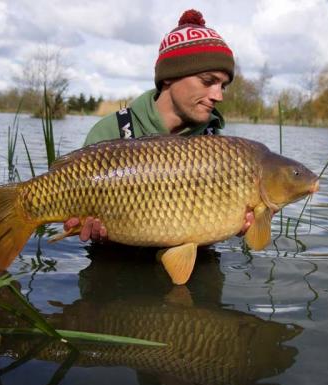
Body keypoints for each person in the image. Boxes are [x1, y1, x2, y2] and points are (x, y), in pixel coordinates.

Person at [65, 9, 254, 241]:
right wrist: (84, 226)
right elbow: (76, 218)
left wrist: (236, 224)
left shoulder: (216, 145)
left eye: (222, 86)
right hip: (115, 263)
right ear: (169, 77)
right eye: (208, 81)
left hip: (196, 263)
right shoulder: (110, 131)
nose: (218, 96)